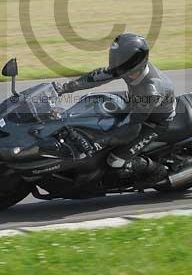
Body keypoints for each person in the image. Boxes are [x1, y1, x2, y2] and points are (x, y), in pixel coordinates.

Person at [54, 32, 175, 186]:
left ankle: (158, 171)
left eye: (121, 59)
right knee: (93, 101)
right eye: (115, 57)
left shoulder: (151, 89)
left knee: (116, 161)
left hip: (154, 121)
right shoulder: (128, 68)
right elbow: (95, 77)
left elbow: (134, 124)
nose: (116, 62)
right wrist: (63, 88)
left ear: (135, 60)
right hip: (135, 101)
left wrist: (100, 141)